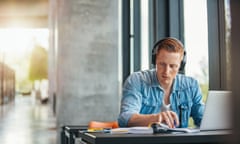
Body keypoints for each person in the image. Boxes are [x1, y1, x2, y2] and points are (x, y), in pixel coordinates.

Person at [118, 37, 204, 128]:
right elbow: (125, 119)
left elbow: (203, 120)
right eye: (162, 64)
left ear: (180, 66)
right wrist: (156, 118)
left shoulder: (191, 86)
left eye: (173, 66)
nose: (166, 71)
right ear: (155, 61)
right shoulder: (137, 81)